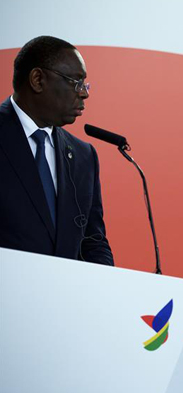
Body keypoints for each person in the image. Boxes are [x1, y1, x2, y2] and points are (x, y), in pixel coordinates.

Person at [0, 36, 113, 265]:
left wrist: (104, 288)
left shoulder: (84, 156)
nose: (84, 93)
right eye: (76, 82)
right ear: (38, 80)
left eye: (85, 84)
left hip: (66, 299)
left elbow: (93, 242)